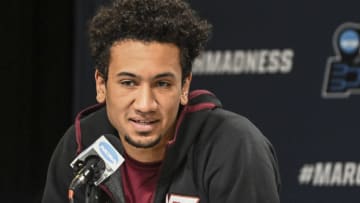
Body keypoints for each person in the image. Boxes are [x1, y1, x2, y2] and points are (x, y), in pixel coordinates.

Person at [42, 0, 281, 202]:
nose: (145, 105)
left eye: (162, 84)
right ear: (101, 85)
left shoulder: (234, 147)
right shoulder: (81, 144)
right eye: (128, 83)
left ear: (184, 86)